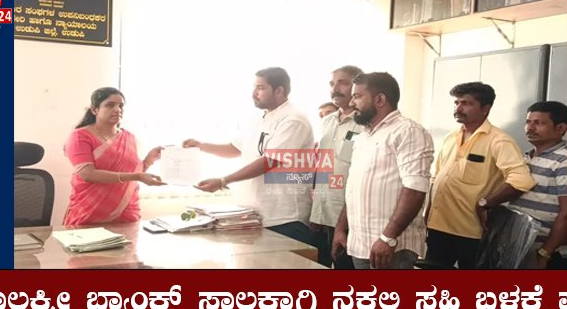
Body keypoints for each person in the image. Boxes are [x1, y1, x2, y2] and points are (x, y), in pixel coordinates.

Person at [184, 67, 315, 245]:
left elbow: (270, 161)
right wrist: (201, 146)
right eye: (254, 87)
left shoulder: (293, 119)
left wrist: (223, 181)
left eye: (260, 88)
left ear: (279, 90)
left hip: (284, 218)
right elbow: (235, 148)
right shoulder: (258, 118)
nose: (254, 93)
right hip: (253, 214)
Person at [424, 82, 536, 269]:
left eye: (466, 103)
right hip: (438, 227)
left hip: (472, 232)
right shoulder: (451, 137)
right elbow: (436, 177)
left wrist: (486, 202)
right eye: (457, 102)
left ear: (485, 109)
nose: (458, 108)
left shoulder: (499, 141)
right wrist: (428, 213)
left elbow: (521, 180)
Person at [331, 72, 434, 269]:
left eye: (357, 96)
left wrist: (388, 237)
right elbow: (355, 188)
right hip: (360, 244)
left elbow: (415, 189)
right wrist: (341, 228)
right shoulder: (364, 136)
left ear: (380, 99)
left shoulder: (408, 131)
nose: (351, 103)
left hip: (391, 248)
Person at [64, 87, 166, 226]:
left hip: (127, 213)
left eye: (121, 106)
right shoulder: (80, 136)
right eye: (110, 105)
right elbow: (87, 174)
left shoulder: (129, 137)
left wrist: (149, 160)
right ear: (94, 110)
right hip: (90, 213)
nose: (117, 109)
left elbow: (133, 173)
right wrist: (137, 176)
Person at [310, 65, 363, 268]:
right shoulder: (328, 121)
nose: (335, 88)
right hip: (324, 213)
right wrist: (317, 211)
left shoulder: (365, 122)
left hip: (350, 216)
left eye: (343, 83)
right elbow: (322, 166)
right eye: (332, 84)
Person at [508, 101, 567, 269]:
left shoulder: (564, 161)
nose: (530, 128)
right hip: (520, 246)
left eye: (539, 123)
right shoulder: (525, 157)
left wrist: (545, 253)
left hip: (548, 252)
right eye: (528, 122)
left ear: (560, 128)